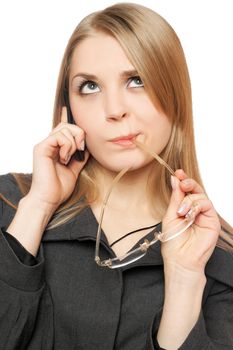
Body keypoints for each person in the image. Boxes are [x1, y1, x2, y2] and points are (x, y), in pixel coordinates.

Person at [0, 3, 233, 349]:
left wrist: (184, 280)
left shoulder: (216, 256)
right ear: (69, 106)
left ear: (176, 94)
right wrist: (37, 208)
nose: (114, 110)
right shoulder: (12, 203)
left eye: (136, 81)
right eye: (90, 87)